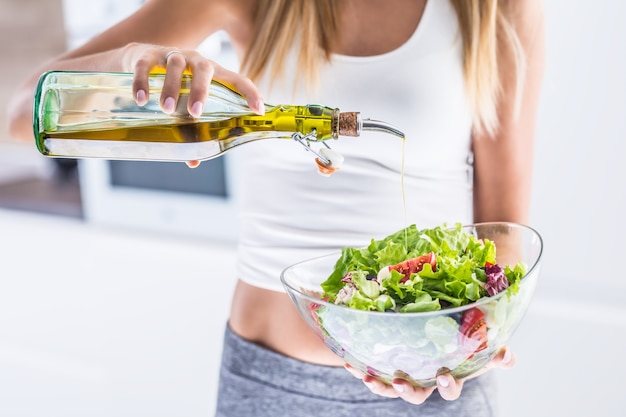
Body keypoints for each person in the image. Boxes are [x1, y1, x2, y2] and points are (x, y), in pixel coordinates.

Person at [7, 0, 545, 415]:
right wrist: (128, 67)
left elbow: (501, 229)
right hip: (268, 382)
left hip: (433, 389)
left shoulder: (492, 9)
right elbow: (17, 116)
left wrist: (473, 338)